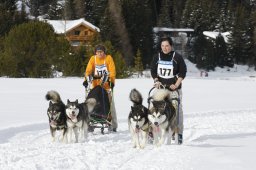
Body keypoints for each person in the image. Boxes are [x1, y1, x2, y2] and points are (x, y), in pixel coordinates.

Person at [150, 36, 187, 144]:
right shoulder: (157, 57)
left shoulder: (177, 57)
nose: (165, 48)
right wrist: (156, 80)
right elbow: (153, 70)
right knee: (153, 107)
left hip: (174, 89)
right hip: (161, 88)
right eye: (162, 46)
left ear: (171, 46)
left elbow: (182, 72)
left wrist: (176, 84)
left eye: (167, 46)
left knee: (177, 108)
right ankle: (152, 131)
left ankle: (178, 133)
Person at [83, 44, 117, 132]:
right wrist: (86, 80)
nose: (100, 54)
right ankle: (88, 121)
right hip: (95, 87)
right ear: (95, 53)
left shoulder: (108, 58)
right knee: (88, 101)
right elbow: (88, 71)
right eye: (98, 52)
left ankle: (113, 125)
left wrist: (111, 81)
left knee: (110, 104)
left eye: (101, 52)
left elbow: (112, 71)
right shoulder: (93, 59)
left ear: (104, 52)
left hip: (106, 87)